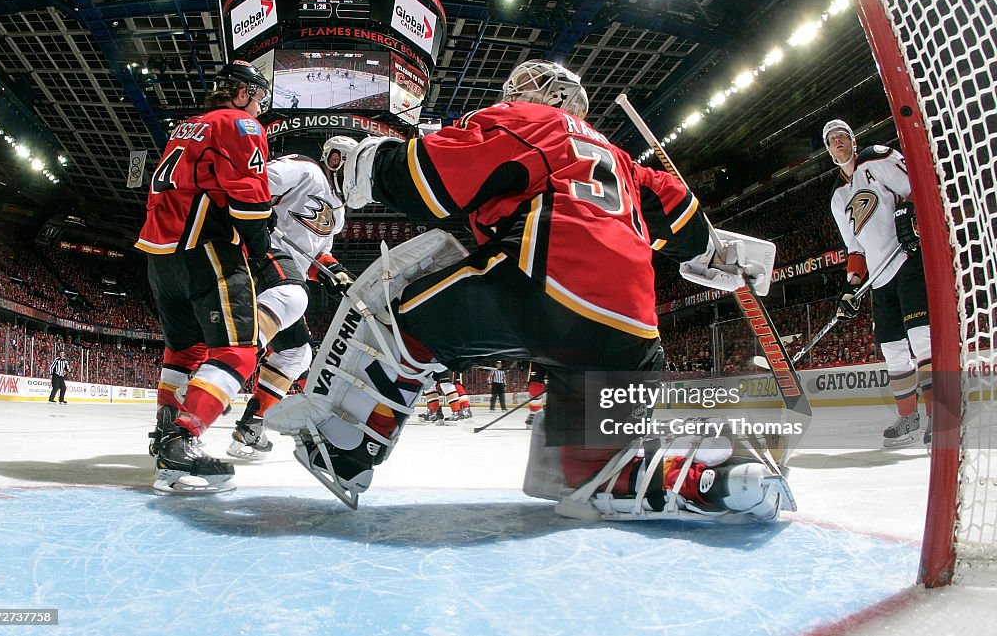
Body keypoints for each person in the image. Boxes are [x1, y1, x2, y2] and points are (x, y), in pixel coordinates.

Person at [266, 59, 784, 520]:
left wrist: (363, 163)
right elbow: (692, 231)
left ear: (554, 99)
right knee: (597, 477)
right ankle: (714, 479)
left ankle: (344, 448)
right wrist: (723, 257)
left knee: (391, 313)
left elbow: (436, 176)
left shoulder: (533, 122)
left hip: (543, 289)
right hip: (632, 329)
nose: (515, 95)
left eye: (527, 87)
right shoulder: (626, 164)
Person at [135, 59, 273, 494]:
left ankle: (165, 437)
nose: (260, 104)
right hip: (205, 248)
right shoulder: (240, 123)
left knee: (184, 350)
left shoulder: (185, 127)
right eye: (257, 95)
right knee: (237, 352)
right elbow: (249, 196)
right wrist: (263, 251)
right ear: (241, 92)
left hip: (160, 254)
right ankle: (182, 441)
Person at [226, 151, 353, 459]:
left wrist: (335, 273)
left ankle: (250, 426)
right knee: (291, 296)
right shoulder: (306, 170)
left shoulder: (338, 211)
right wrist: (257, 209)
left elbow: (317, 256)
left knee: (297, 353)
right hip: (257, 254)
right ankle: (220, 368)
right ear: (337, 160)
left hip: (286, 272)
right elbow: (255, 183)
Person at [824, 119, 932, 446]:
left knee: (921, 338)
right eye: (831, 140)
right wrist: (850, 287)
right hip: (880, 278)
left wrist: (911, 220)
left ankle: (943, 413)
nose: (838, 142)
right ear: (828, 151)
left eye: (843, 136)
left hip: (907, 263)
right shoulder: (837, 197)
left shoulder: (877, 159)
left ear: (854, 142)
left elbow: (918, 190)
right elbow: (855, 248)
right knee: (893, 350)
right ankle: (908, 416)